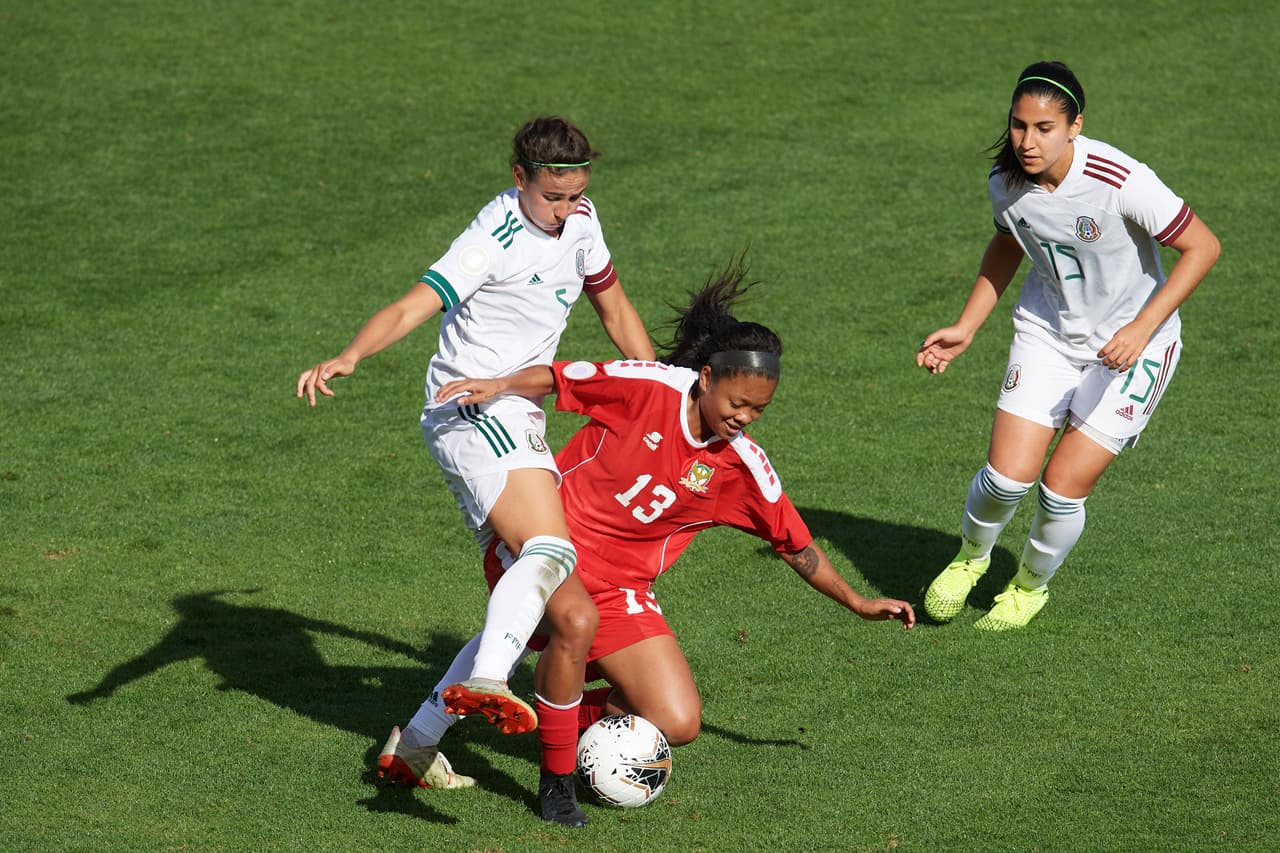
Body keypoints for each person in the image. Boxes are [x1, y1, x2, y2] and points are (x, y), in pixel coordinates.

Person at [380, 258, 915, 826]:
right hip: (545, 545)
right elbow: (560, 378)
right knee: (573, 622)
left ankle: (513, 716)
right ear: (706, 378)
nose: (746, 419)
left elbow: (796, 546)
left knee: (677, 720)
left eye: (760, 410)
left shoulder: (743, 468)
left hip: (624, 586)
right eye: (738, 404)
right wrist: (501, 384)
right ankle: (556, 781)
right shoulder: (647, 389)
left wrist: (856, 601)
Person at [297, 116, 655, 784]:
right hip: (472, 407)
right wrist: (349, 354)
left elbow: (615, 309)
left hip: (518, 412)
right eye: (553, 196)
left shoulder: (582, 222)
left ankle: (418, 741)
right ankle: (489, 677)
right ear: (519, 177)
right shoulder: (493, 236)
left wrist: (660, 384)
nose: (566, 208)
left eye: (576, 194)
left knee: (535, 587)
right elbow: (412, 306)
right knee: (550, 554)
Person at [916, 61, 1220, 630]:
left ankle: (1030, 586)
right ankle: (969, 559)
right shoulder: (1005, 183)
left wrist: (1141, 329)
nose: (1027, 141)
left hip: (1137, 346)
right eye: (1018, 125)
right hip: (1048, 333)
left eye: (1044, 128)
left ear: (1075, 126)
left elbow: (1203, 247)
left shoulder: (1121, 179)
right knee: (1006, 479)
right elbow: (1009, 242)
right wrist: (967, 324)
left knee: (1060, 492)